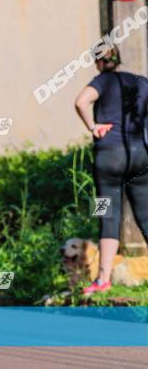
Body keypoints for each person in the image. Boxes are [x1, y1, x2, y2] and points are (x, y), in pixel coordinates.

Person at [74, 45, 148, 295]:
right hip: (140, 156)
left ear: (98, 63)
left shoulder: (102, 81)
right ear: (119, 60)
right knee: (146, 215)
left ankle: (103, 279)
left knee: (108, 214)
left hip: (109, 158)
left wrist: (93, 126)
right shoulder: (140, 82)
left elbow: (81, 102)